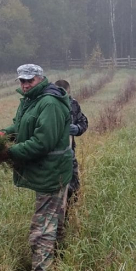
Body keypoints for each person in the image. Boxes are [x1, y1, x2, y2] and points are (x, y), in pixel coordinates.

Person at [0, 64, 72, 271]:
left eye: (30, 80)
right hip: (46, 171)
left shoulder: (49, 103)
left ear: (41, 78)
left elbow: (42, 142)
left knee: (42, 227)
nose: (25, 84)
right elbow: (22, 127)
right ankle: (53, 262)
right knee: (52, 220)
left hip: (51, 172)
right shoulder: (32, 100)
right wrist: (5, 133)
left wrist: (9, 152)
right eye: (22, 80)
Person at [54, 79, 88, 207]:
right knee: (54, 191)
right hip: (52, 156)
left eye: (66, 94)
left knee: (72, 189)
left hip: (69, 154)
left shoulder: (73, 104)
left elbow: (83, 121)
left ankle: (68, 218)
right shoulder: (48, 105)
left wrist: (78, 128)